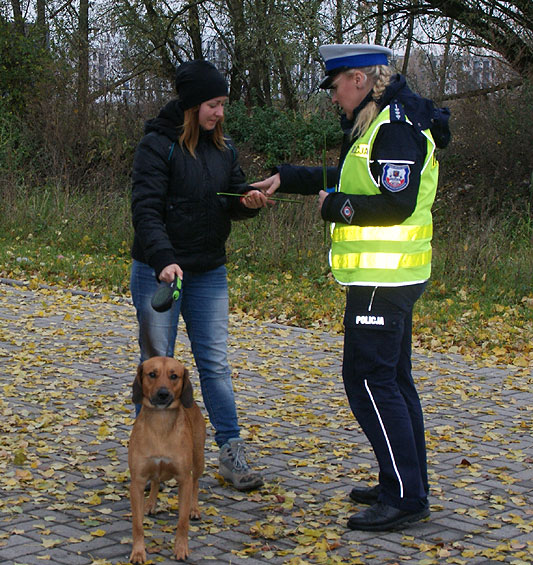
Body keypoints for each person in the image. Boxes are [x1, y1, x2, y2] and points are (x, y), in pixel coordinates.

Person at [252, 44, 450, 530]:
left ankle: (405, 499)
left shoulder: (395, 127)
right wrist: (288, 177)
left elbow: (395, 203)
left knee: (368, 381)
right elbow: (353, 177)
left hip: (385, 279)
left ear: (359, 80)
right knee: (392, 382)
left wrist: (333, 208)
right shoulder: (379, 122)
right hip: (384, 278)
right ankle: (401, 482)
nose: (334, 97)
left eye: (336, 86)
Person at [130, 59, 268, 491]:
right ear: (192, 105)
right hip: (161, 273)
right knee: (156, 367)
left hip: (208, 271)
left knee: (214, 365)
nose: (220, 113)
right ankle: (149, 460)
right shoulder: (157, 145)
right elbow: (145, 209)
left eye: (224, 103)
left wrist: (245, 203)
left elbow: (230, 196)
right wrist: (163, 260)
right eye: (213, 104)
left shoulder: (223, 149)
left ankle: (230, 451)